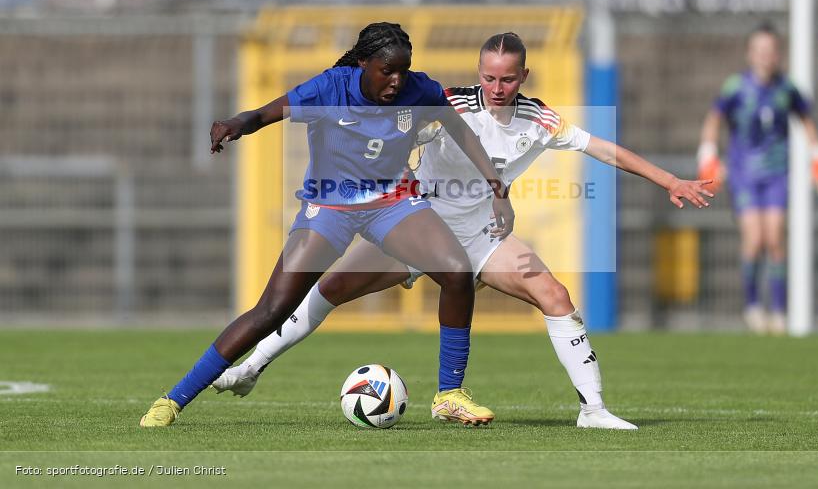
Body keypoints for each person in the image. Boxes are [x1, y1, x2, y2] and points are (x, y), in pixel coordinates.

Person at [213, 32, 714, 429]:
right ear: (480, 73)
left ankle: (594, 410)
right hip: (419, 226)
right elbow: (387, 129)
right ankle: (251, 369)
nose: (499, 87)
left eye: (509, 79)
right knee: (330, 288)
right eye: (491, 77)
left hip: (483, 238)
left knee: (555, 294)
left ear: (523, 77)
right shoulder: (445, 105)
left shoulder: (541, 120)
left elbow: (604, 149)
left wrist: (669, 180)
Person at [139, 22, 515, 427]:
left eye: (402, 70)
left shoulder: (419, 90)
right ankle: (173, 400)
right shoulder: (330, 88)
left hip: (393, 203)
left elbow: (461, 130)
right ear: (362, 63)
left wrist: (498, 189)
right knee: (272, 310)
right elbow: (265, 113)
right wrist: (234, 124)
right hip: (330, 207)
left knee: (457, 272)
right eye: (386, 70)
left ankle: (450, 395)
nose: (396, 80)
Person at [697, 22, 818, 335]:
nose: (765, 56)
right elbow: (714, 119)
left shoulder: (787, 89)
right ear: (749, 54)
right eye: (759, 50)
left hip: (776, 174)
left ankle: (780, 312)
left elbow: (806, 120)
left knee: (775, 237)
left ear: (778, 54)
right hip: (743, 174)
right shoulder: (736, 87)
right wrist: (708, 154)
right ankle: (753, 306)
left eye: (770, 51)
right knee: (754, 239)